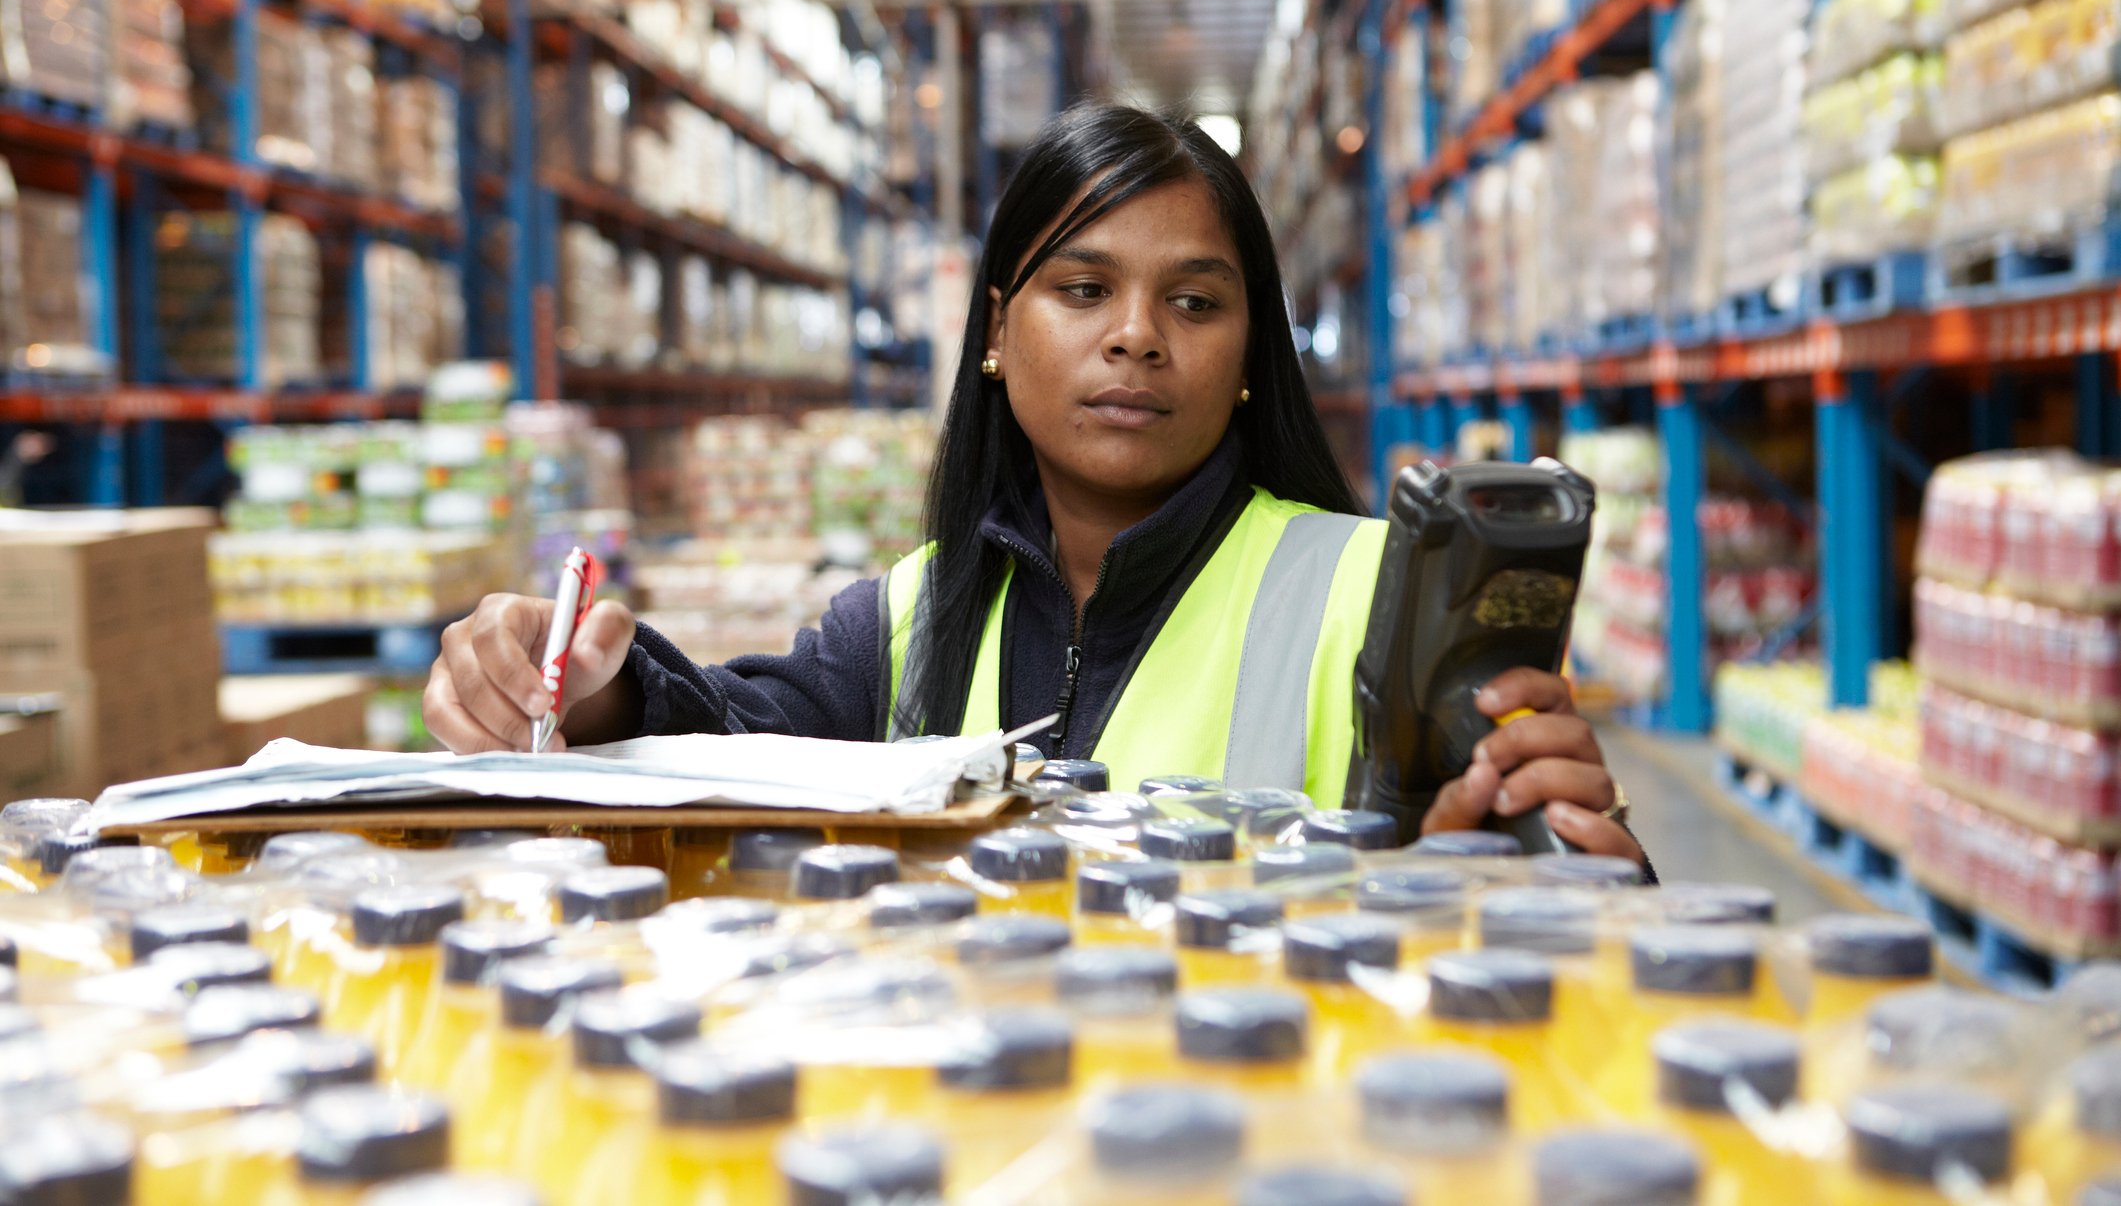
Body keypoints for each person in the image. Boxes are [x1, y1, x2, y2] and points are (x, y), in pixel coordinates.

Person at [423, 103, 1643, 863]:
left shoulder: (1373, 590)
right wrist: (583, 690)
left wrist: (1569, 841)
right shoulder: (905, 623)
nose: (1136, 336)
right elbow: (729, 747)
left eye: (1195, 301)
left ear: (1245, 361)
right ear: (999, 332)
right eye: (1082, 289)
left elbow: (1539, 921)